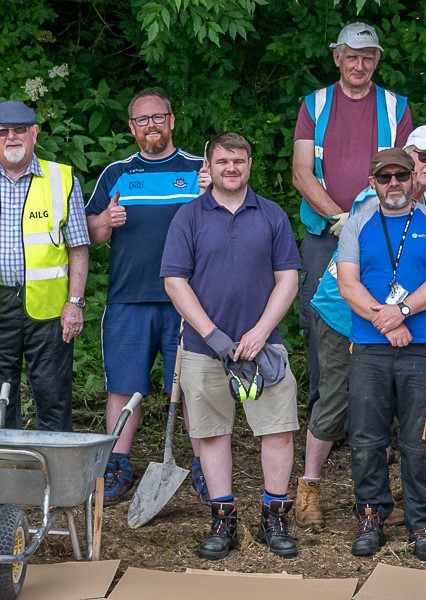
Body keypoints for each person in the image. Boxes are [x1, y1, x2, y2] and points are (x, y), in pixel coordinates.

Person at [295, 125, 426, 528]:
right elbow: (364, 271)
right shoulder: (368, 200)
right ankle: (310, 487)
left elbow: (413, 265)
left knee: (397, 416)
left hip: (397, 321)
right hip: (346, 314)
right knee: (336, 404)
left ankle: (389, 502)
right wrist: (389, 320)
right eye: (423, 157)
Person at [291, 23, 413, 527]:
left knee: (382, 334)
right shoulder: (314, 104)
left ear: (376, 61)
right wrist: (345, 220)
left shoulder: (395, 106)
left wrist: (367, 223)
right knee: (328, 333)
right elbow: (301, 171)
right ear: (336, 58)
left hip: (384, 236)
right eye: (350, 56)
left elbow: (405, 168)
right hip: (328, 233)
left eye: (367, 57)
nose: (358, 65)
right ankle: (328, 434)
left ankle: (374, 455)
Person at [161, 132, 301, 560]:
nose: (231, 168)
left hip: (266, 347)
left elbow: (289, 278)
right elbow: (174, 281)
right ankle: (223, 519)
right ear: (210, 165)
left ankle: (273, 517)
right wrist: (215, 336)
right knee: (211, 434)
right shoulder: (188, 217)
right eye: (222, 161)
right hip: (204, 349)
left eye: (239, 160)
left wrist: (260, 332)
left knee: (278, 430)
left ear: (250, 164)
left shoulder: (272, 215)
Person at [85, 90, 210, 505]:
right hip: (127, 299)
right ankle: (117, 465)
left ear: (172, 121)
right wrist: (104, 220)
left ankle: (202, 465)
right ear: (131, 128)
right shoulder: (116, 173)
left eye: (158, 117)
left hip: (188, 301)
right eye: (142, 120)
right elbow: (91, 233)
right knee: (123, 388)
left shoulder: (198, 169)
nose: (151, 125)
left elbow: (225, 213)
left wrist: (210, 192)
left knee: (194, 387)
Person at [337, 148, 426, 561]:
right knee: (367, 439)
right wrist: (386, 321)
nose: (393, 184)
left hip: (421, 347)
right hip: (369, 346)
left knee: (420, 439)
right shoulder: (356, 225)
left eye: (401, 176)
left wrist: (402, 311)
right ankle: (370, 515)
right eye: (384, 177)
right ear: (372, 182)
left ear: (412, 180)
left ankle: (422, 521)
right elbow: (348, 285)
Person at [0, 100, 89, 432]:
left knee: (53, 396)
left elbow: (78, 248)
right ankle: (7, 475)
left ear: (34, 133)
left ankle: (54, 477)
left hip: (50, 311)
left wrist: (75, 303)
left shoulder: (61, 179)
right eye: (3, 131)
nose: (11, 137)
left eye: (19, 129)